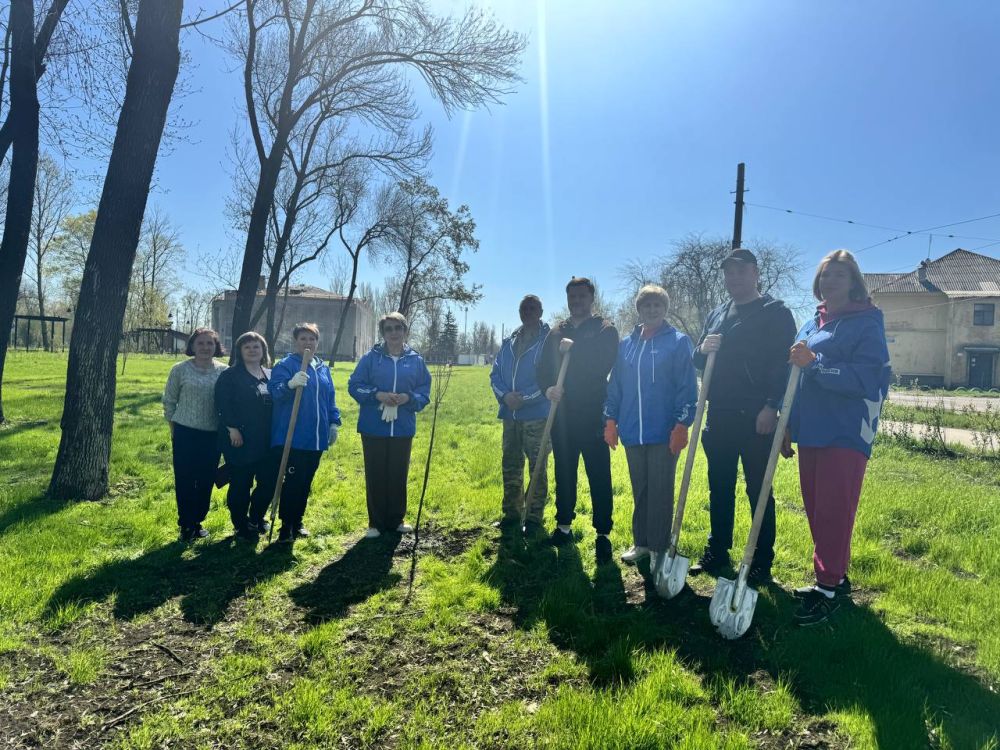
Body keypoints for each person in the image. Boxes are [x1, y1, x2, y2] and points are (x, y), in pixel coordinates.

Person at [784, 249, 890, 626]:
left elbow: (866, 379)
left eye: (839, 275)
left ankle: (826, 589)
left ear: (854, 282)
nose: (830, 281)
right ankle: (836, 578)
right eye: (826, 275)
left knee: (834, 509)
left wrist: (816, 364)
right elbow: (794, 378)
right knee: (816, 507)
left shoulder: (867, 322)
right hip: (811, 429)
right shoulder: (811, 324)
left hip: (844, 430)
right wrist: (787, 425)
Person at [690, 247, 797, 584]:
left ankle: (760, 561)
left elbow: (783, 364)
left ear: (755, 273)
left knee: (759, 490)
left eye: (740, 271)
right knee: (719, 487)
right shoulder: (718, 313)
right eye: (729, 272)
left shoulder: (775, 313)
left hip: (756, 415)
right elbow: (698, 359)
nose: (733, 278)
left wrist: (771, 405)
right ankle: (718, 551)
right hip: (719, 414)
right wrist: (702, 348)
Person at [604, 285, 698, 565]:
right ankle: (642, 543)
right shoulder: (626, 345)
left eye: (658, 305)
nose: (652, 310)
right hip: (633, 431)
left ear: (665, 308)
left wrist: (682, 424)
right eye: (647, 305)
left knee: (660, 490)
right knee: (641, 489)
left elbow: (686, 386)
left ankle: (659, 547)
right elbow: (616, 385)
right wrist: (611, 420)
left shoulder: (678, 342)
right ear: (639, 309)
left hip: (664, 432)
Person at [536, 277, 619, 563]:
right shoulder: (557, 331)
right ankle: (563, 527)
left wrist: (574, 349)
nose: (577, 301)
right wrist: (548, 388)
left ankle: (603, 534)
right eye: (572, 297)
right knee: (564, 473)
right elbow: (542, 368)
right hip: (563, 417)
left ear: (591, 298)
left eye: (582, 296)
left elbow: (602, 365)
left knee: (599, 474)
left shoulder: (605, 329)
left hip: (594, 414)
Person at [348, 312, 432, 538]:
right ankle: (375, 523)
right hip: (373, 427)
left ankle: (396, 519)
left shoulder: (416, 360)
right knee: (375, 474)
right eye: (389, 329)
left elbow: (424, 390)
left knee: (398, 473)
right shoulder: (370, 358)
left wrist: (408, 398)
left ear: (405, 331)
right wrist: (377, 395)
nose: (394, 333)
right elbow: (355, 385)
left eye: (398, 328)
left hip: (403, 427)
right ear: (383, 333)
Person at [268, 322, 342, 543]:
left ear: (317, 342)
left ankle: (297, 520)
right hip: (293, 437)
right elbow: (274, 393)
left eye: (312, 339)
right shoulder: (286, 365)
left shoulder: (322, 368)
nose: (308, 342)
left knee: (306, 481)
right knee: (293, 482)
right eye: (303, 339)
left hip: (316, 437)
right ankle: (286, 527)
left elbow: (330, 399)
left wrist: (333, 423)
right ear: (296, 341)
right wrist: (289, 385)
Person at [489, 294, 552, 534]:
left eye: (532, 308)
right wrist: (506, 397)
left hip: (536, 415)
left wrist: (524, 398)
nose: (528, 312)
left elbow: (549, 378)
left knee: (538, 467)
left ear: (540, 312)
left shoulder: (548, 341)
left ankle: (534, 518)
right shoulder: (509, 342)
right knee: (511, 465)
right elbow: (495, 374)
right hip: (510, 415)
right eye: (524, 309)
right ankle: (512, 514)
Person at [162, 327, 228, 541]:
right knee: (185, 479)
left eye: (210, 343)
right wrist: (173, 429)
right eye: (200, 343)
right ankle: (186, 524)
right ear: (192, 346)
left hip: (212, 435)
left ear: (216, 347)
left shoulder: (224, 371)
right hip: (184, 433)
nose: (205, 347)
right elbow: (169, 401)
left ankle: (198, 520)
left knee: (206, 479)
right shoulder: (179, 370)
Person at [215, 331, 276, 540]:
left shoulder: (270, 374)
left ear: (263, 350)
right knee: (241, 484)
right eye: (247, 347)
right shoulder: (230, 376)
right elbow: (222, 404)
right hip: (240, 439)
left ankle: (256, 518)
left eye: (256, 346)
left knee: (268, 482)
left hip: (267, 439)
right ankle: (240, 524)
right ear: (240, 351)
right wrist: (232, 428)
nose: (252, 350)